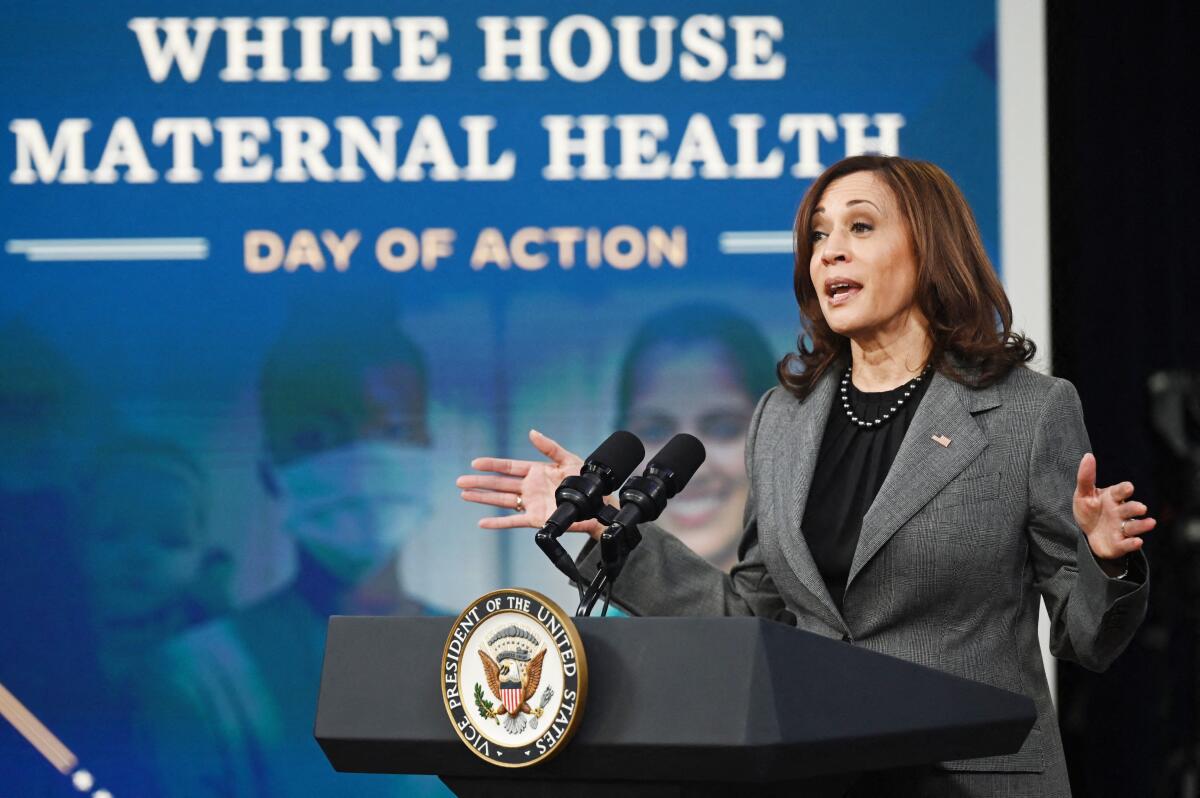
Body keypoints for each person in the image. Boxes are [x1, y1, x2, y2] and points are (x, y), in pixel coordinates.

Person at [458, 155, 1152, 797]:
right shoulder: (783, 419)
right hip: (818, 774)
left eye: (859, 227)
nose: (831, 251)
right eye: (819, 236)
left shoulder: (1027, 412)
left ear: (929, 248)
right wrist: (609, 529)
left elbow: (1088, 639)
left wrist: (1105, 562)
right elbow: (758, 616)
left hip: (967, 780)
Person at [138, 315, 451, 798]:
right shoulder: (203, 679)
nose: (360, 463)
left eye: (392, 430)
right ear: (269, 469)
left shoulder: (490, 658)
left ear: (427, 450)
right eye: (318, 438)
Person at [615, 304, 776, 570]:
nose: (691, 473)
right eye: (654, 431)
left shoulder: (821, 606)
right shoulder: (591, 609)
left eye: (724, 429)